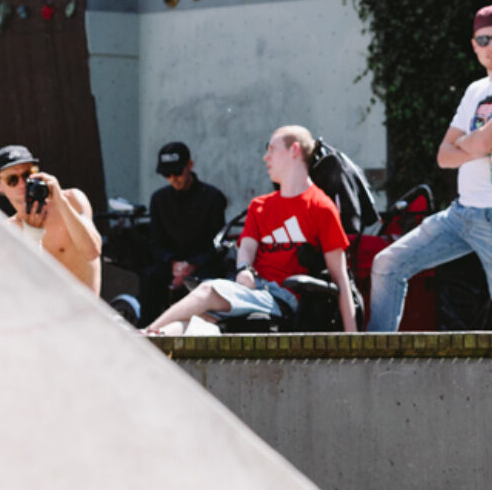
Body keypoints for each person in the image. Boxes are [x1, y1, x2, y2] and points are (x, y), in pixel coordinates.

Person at [368, 5, 492, 332]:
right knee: (387, 264)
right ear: (474, 46)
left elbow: (469, 146)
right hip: (462, 214)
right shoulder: (475, 91)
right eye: (484, 39)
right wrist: (474, 142)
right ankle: (373, 364)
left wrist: (468, 142)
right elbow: (443, 156)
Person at [144, 125, 358, 335]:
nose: (265, 157)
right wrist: (244, 269)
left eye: (272, 149)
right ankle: (150, 339)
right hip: (251, 291)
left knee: (207, 290)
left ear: (294, 151)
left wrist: (353, 338)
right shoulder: (259, 205)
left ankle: (145, 331)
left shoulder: (321, 207)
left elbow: (340, 277)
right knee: (196, 322)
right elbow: (246, 250)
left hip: (284, 297)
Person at [0, 144, 103, 293]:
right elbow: (25, 288)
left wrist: (60, 199)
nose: (22, 184)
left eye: (27, 175)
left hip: (88, 313)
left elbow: (92, 251)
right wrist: (33, 236)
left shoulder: (71, 200)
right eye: (12, 180)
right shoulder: (8, 229)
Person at [144, 141, 230, 321]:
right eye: (167, 174)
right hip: (171, 264)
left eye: (177, 172)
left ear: (189, 166)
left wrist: (193, 265)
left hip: (203, 265)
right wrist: (173, 263)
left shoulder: (212, 198)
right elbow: (156, 242)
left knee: (207, 284)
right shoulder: (159, 200)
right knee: (151, 279)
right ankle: (148, 331)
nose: (173, 178)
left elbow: (217, 245)